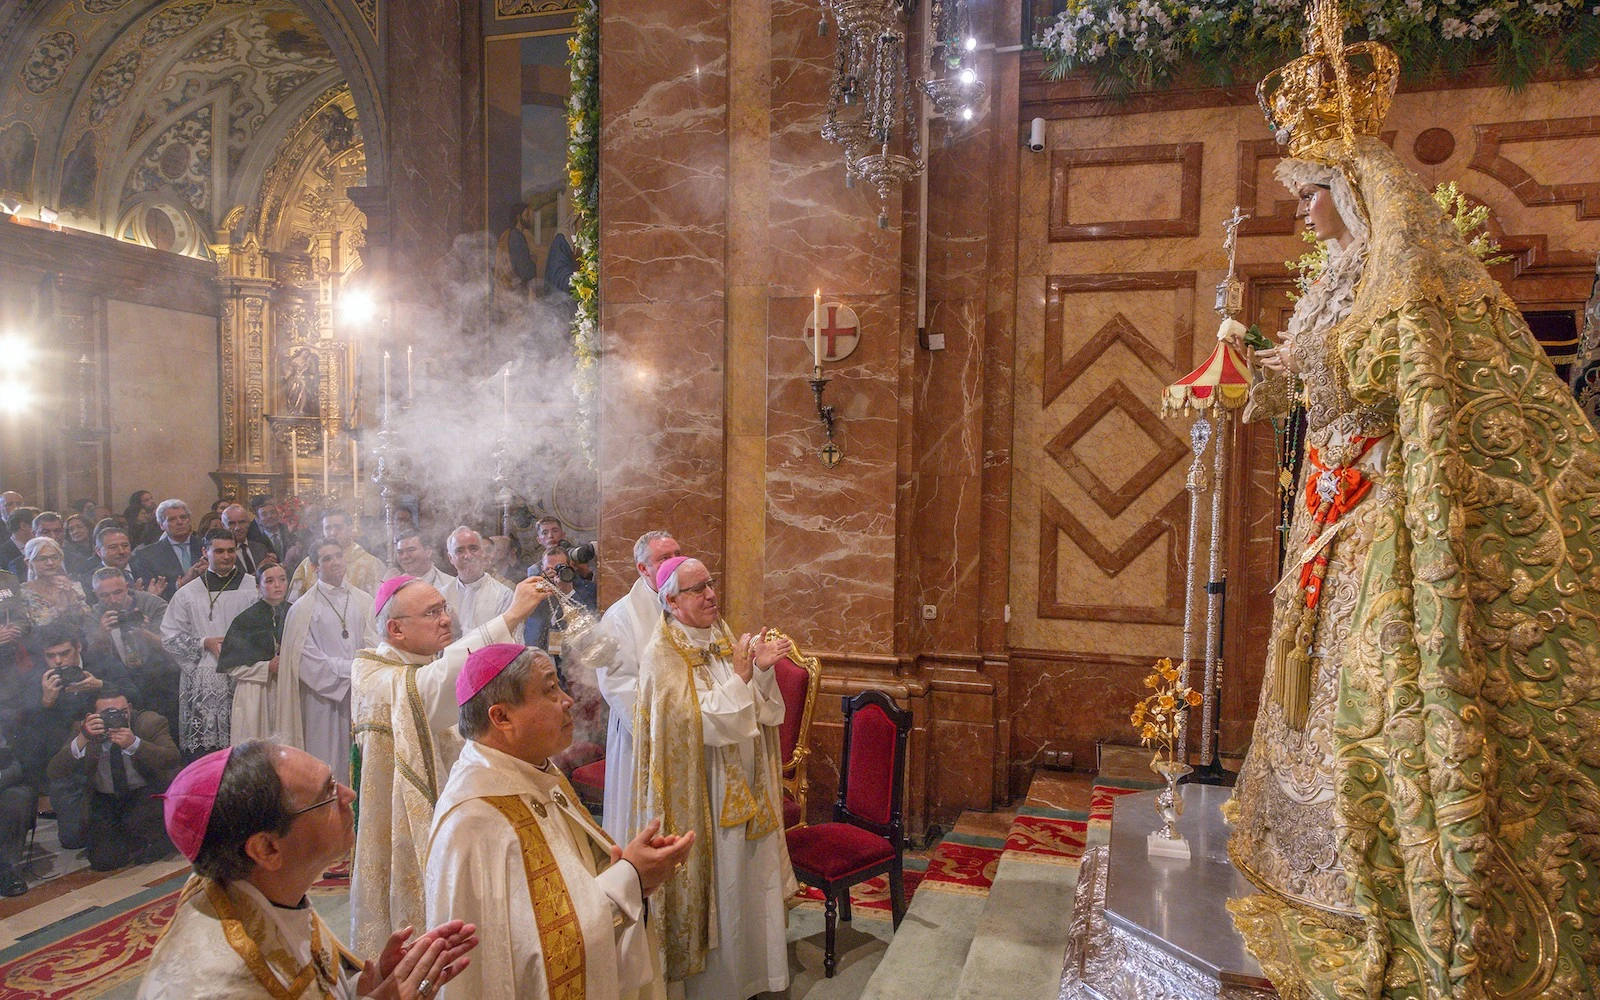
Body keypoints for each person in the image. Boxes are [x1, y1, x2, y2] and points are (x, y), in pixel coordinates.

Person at [1222, 19, 1600, 998]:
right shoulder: (1334, 280)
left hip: (1383, 521)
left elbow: (1411, 365)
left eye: (1309, 197)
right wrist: (1265, 381)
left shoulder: (1404, 273)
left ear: (1348, 189)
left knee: (1372, 693)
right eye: (1301, 198)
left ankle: (1375, 880)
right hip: (1325, 518)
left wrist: (1312, 365)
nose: (1303, 218)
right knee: (1311, 683)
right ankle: (1315, 859)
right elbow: (1317, 393)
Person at [425, 644, 687, 1000]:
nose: (567, 700)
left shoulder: (537, 771)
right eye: (550, 690)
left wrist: (631, 873)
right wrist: (631, 877)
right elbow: (535, 954)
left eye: (560, 686)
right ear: (501, 718)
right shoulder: (474, 819)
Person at [138, 740, 478, 999]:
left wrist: (365, 984)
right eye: (327, 792)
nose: (350, 794)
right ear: (267, 849)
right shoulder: (220, 984)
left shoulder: (261, 887)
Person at [349, 572, 554, 958]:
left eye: (444, 608)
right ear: (395, 629)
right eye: (432, 613)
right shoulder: (373, 675)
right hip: (401, 830)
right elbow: (433, 688)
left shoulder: (423, 661)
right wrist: (509, 618)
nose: (446, 619)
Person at [633, 556, 794, 997]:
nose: (710, 594)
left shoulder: (720, 635)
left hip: (748, 786)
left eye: (711, 583)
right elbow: (696, 726)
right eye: (697, 589)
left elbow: (758, 712)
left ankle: (759, 975)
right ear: (671, 601)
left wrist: (759, 672)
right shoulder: (662, 656)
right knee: (722, 890)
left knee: (750, 881)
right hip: (703, 792)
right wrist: (743, 677)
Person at [24, 621, 143, 850]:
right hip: (71, 761)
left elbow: (136, 696)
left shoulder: (101, 663)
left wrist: (101, 685)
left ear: (78, 646)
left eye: (64, 653)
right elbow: (31, 734)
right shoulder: (37, 678)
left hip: (112, 752)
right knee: (73, 840)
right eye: (51, 656)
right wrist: (46, 702)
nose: (58, 661)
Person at [594, 530, 679, 842]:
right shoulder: (620, 616)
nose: (675, 563)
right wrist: (656, 726)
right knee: (642, 818)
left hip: (686, 726)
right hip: (640, 734)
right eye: (664, 559)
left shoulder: (686, 603)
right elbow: (615, 681)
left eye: (677, 555)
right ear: (643, 569)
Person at [47, 687, 179, 870]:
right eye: (107, 714)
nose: (116, 718)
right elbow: (55, 771)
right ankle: (128, 839)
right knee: (103, 861)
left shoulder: (149, 722)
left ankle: (151, 838)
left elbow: (172, 759)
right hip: (106, 800)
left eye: (123, 712)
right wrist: (82, 739)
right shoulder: (84, 729)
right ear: (92, 715)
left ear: (130, 708)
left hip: (145, 795)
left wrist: (135, 744)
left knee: (148, 851)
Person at [280, 540, 375, 785]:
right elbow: (305, 659)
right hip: (321, 702)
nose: (335, 562)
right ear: (314, 567)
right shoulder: (302, 609)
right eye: (327, 559)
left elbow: (375, 646)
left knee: (363, 764)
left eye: (338, 556)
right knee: (327, 761)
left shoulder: (364, 601)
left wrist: (361, 672)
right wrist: (353, 670)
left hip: (360, 696)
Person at [162, 529, 258, 757]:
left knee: (246, 744)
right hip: (206, 679)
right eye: (219, 551)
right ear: (205, 552)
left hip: (246, 674)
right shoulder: (188, 593)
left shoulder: (253, 587)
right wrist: (204, 642)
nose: (227, 556)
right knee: (210, 749)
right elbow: (169, 636)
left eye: (231, 550)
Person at [88, 567, 179, 730]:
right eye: (104, 595)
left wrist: (144, 634)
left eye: (117, 592)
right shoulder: (93, 615)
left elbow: (173, 647)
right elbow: (91, 657)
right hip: (121, 682)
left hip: (160, 678)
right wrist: (102, 634)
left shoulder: (153, 604)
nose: (113, 599)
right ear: (95, 594)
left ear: (127, 587)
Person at [218, 563, 294, 748]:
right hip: (256, 692)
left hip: (289, 689)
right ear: (258, 587)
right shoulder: (246, 620)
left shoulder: (296, 612)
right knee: (256, 748)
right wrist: (266, 667)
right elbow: (231, 666)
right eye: (269, 581)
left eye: (282, 579)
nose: (278, 585)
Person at [288, 508, 385, 601]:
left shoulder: (370, 564)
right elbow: (295, 604)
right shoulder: (308, 564)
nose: (333, 533)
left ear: (350, 528)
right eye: (328, 528)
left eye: (338, 527)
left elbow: (378, 604)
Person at [438, 527, 512, 633]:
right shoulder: (442, 596)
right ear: (451, 558)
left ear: (482, 552)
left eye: (473, 549)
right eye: (460, 551)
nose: (468, 555)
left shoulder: (503, 595)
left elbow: (507, 640)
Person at [130, 500, 205, 601]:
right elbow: (148, 592)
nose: (180, 522)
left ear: (190, 520)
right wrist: (181, 583)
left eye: (183, 517)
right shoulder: (147, 555)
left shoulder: (207, 547)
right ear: (161, 525)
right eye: (172, 519)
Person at [20, 536, 91, 626]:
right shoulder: (22, 593)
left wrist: (71, 598)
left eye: (55, 557)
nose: (50, 563)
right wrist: (59, 608)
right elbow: (28, 628)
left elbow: (87, 621)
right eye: (42, 559)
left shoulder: (74, 587)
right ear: (28, 563)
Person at [222, 503, 276, 578]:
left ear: (248, 523)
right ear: (224, 526)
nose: (237, 528)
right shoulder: (222, 553)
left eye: (242, 522)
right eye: (232, 524)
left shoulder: (260, 548)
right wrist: (259, 570)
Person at [0, 507, 38, 579]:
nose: (40, 528)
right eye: (37, 524)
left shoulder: (42, 547)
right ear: (23, 526)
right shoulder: (2, 553)